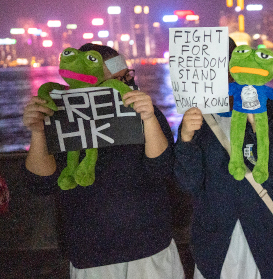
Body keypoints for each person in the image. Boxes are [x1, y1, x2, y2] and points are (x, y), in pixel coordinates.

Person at [22, 43, 184, 278]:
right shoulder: (58, 114)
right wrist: (38, 132)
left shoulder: (142, 109)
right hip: (90, 253)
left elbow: (161, 169)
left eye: (127, 78)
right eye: (114, 80)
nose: (125, 86)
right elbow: (41, 183)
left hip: (150, 245)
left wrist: (148, 118)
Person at [174, 37, 273, 279]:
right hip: (214, 242)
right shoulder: (196, 113)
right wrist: (186, 137)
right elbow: (188, 183)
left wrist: (258, 124)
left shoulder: (267, 105)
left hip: (264, 235)